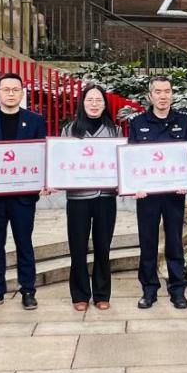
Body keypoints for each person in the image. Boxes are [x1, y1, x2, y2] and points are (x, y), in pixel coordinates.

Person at [0, 73, 48, 312]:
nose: (11, 93)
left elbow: (42, 155)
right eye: (6, 89)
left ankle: (28, 290)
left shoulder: (35, 120)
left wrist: (44, 181)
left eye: (15, 89)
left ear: (22, 92)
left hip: (23, 197)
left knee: (24, 243)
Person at [128, 76, 187, 310]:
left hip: (174, 194)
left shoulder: (184, 121)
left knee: (174, 243)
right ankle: (149, 290)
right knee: (148, 243)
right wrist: (133, 186)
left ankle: (177, 290)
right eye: (158, 91)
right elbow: (132, 159)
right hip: (147, 196)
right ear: (150, 96)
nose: (163, 96)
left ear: (172, 95)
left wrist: (186, 182)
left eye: (167, 91)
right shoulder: (137, 123)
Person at [60, 84, 120, 311]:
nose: (94, 104)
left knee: (103, 246)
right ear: (82, 103)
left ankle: (102, 293)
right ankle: (80, 294)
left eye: (98, 100)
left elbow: (120, 163)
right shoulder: (69, 130)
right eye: (89, 100)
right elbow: (61, 162)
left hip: (105, 196)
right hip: (78, 198)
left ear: (105, 104)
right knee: (78, 247)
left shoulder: (114, 132)